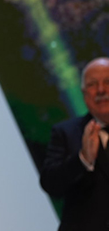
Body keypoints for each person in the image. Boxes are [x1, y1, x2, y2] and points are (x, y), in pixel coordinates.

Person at [41, 57, 109, 230]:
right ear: (84, 94)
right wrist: (83, 158)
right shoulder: (66, 132)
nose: (101, 90)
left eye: (107, 81)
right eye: (93, 84)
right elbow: (51, 184)